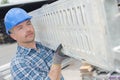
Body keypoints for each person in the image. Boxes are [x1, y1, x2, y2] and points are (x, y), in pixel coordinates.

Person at [4, 8, 67, 80]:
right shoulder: (18, 64)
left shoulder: (44, 46)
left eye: (28, 23)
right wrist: (57, 61)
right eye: (20, 28)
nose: (28, 29)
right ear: (13, 36)